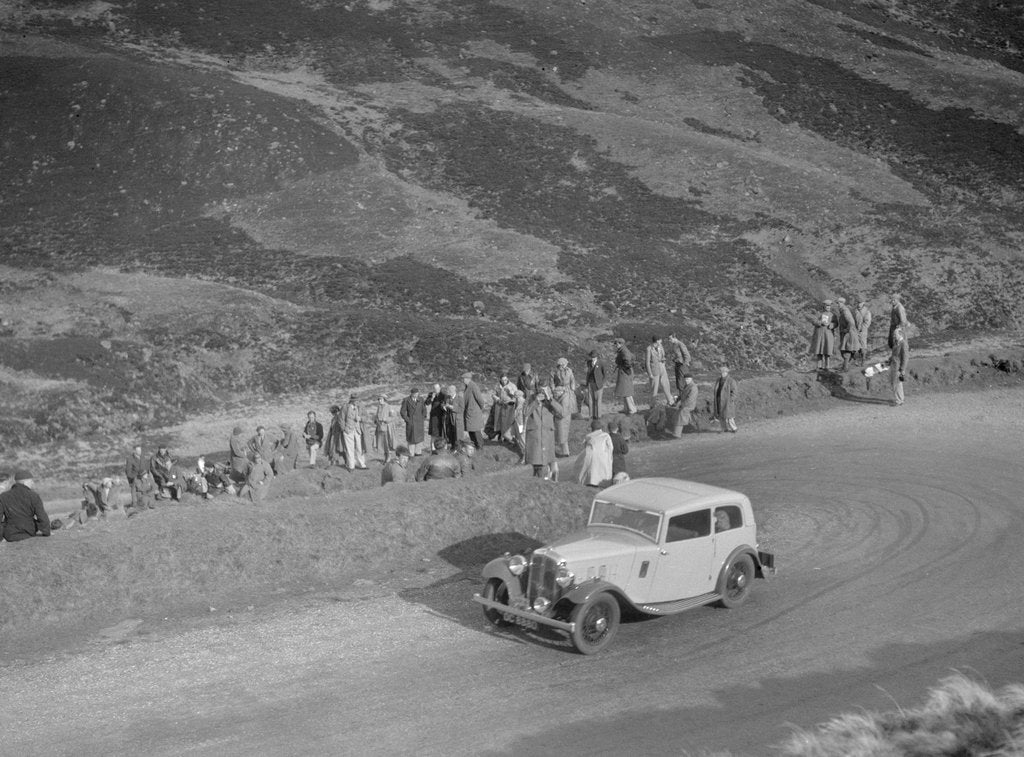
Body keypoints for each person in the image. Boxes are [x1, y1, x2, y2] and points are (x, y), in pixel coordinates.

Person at [524, 380, 561, 479]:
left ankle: (548, 479)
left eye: (545, 389)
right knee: (536, 461)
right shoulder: (531, 398)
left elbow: (561, 412)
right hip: (535, 434)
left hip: (547, 433)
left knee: (548, 459)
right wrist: (536, 401)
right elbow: (525, 412)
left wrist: (550, 400)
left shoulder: (550, 399)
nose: (542, 392)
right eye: (541, 389)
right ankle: (538, 479)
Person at [0, 471, 51, 541]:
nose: (33, 483)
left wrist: (1, 538)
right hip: (29, 532)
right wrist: (47, 532)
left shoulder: (3, 496)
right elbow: (42, 516)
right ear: (25, 482)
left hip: (9, 534)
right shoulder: (33, 496)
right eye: (31, 481)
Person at [574, 419, 613, 487]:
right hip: (602, 454)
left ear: (592, 428)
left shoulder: (588, 436)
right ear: (601, 427)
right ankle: (602, 483)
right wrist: (609, 455)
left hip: (590, 454)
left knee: (591, 469)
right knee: (602, 470)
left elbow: (584, 446)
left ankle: (591, 482)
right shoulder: (606, 435)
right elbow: (611, 447)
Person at [458, 372, 487, 450]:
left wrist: (479, 408)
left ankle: (480, 446)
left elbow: (480, 399)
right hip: (469, 412)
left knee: (476, 430)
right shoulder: (467, 387)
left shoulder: (473, 386)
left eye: (463, 379)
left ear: (467, 379)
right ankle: (474, 445)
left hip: (474, 412)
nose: (462, 380)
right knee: (470, 430)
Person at [645, 336, 674, 405]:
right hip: (654, 368)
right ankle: (652, 404)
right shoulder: (649, 349)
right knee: (654, 387)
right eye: (660, 340)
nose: (661, 341)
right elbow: (647, 362)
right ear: (657, 341)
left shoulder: (660, 346)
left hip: (662, 367)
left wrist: (663, 362)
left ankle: (670, 401)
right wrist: (650, 373)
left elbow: (663, 356)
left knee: (666, 384)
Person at [341, 395, 368, 470]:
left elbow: (366, 417)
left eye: (358, 400)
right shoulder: (345, 407)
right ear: (352, 401)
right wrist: (344, 429)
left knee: (359, 447)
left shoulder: (361, 406)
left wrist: (361, 418)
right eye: (356, 400)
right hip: (348, 430)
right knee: (350, 448)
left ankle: (361, 464)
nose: (357, 402)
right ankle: (351, 465)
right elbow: (341, 419)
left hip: (358, 430)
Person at [809, 299, 837, 371]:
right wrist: (820, 322)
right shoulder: (819, 313)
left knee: (827, 350)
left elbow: (836, 323)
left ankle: (827, 366)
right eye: (827, 306)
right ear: (824, 306)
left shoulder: (833, 315)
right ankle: (819, 365)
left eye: (829, 306)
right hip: (820, 334)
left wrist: (831, 325)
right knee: (819, 350)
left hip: (828, 334)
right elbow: (813, 321)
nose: (828, 307)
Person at [399, 387, 428, 456]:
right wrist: (408, 420)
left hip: (419, 422)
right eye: (414, 394)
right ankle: (411, 454)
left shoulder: (421, 399)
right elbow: (402, 412)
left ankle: (418, 453)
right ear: (411, 394)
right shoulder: (406, 400)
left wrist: (423, 418)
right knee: (411, 439)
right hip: (411, 423)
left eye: (417, 393)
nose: (416, 395)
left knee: (419, 438)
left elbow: (424, 409)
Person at [490, 374, 517, 443]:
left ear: (507, 379)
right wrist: (498, 399)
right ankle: (501, 436)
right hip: (499, 405)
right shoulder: (497, 385)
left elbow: (516, 396)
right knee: (500, 422)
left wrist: (511, 393)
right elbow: (493, 394)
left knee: (508, 422)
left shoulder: (512, 386)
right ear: (500, 380)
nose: (504, 381)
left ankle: (508, 438)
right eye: (502, 380)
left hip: (509, 407)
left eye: (505, 380)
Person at [613, 338, 637, 415]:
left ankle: (632, 409)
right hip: (625, 372)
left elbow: (628, 360)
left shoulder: (624, 351)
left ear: (621, 344)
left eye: (616, 344)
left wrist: (625, 367)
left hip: (625, 373)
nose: (615, 345)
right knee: (624, 391)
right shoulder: (623, 350)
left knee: (627, 392)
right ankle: (626, 408)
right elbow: (632, 357)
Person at [712, 365, 739, 433]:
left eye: (724, 372)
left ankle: (734, 428)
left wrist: (731, 400)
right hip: (719, 400)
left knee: (729, 416)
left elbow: (734, 392)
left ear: (727, 373)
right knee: (721, 415)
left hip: (727, 401)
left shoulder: (731, 381)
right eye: (721, 372)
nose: (722, 374)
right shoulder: (718, 380)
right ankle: (724, 429)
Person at [836, 297, 861, 372]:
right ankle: (846, 366)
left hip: (849, 334)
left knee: (846, 350)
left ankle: (845, 368)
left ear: (842, 303)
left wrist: (847, 329)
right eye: (837, 303)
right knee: (847, 350)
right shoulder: (844, 311)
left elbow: (851, 322)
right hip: (849, 333)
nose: (838, 305)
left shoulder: (845, 311)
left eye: (839, 303)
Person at [372, 395, 398, 461]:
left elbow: (394, 417)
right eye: (379, 399)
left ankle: (389, 457)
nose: (379, 400)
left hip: (387, 428)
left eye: (380, 399)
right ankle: (385, 457)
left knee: (388, 443)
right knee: (382, 443)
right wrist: (376, 420)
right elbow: (376, 416)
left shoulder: (389, 407)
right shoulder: (379, 407)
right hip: (380, 428)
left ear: (384, 399)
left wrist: (386, 419)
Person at [890, 325, 910, 406]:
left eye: (895, 334)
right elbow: (894, 355)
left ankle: (899, 401)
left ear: (900, 334)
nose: (894, 336)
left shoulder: (903, 344)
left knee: (896, 383)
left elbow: (905, 357)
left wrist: (902, 369)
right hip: (894, 365)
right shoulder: (897, 343)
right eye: (894, 334)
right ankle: (900, 399)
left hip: (898, 367)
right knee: (897, 383)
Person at [583, 350, 605, 420]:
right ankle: (591, 415)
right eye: (591, 357)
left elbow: (604, 374)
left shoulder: (601, 363)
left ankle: (598, 416)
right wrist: (587, 382)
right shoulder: (588, 363)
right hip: (590, 383)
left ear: (596, 357)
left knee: (598, 400)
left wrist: (602, 383)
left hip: (598, 384)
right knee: (590, 400)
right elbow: (587, 373)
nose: (592, 358)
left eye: (594, 357)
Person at [552, 385, 572, 456]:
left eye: (556, 393)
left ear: (561, 392)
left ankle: (565, 453)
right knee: (562, 437)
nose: (555, 395)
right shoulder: (563, 397)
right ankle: (564, 452)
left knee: (562, 438)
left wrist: (553, 403)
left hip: (562, 420)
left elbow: (562, 412)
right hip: (562, 420)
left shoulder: (565, 400)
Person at [125, 444, 146, 510]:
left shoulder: (142, 457)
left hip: (143, 476)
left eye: (140, 450)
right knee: (134, 488)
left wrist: (145, 474)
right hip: (135, 477)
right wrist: (135, 477)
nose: (140, 451)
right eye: (138, 450)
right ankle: (135, 503)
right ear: (134, 451)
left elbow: (145, 467)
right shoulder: (130, 459)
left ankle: (143, 501)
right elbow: (128, 472)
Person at [427, 383, 445, 447]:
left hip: (441, 417)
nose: (436, 390)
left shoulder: (443, 395)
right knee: (433, 434)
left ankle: (441, 448)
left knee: (441, 434)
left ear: (440, 388)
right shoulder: (431, 394)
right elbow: (427, 403)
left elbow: (445, 405)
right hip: (433, 418)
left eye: (437, 388)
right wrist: (432, 398)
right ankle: (433, 449)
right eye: (435, 388)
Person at [855, 300, 872, 365]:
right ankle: (856, 361)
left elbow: (867, 322)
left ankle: (863, 360)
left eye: (860, 302)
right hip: (856, 331)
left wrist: (861, 328)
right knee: (856, 346)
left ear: (863, 303)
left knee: (863, 346)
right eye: (858, 302)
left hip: (863, 331)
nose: (859, 304)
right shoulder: (855, 311)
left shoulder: (867, 312)